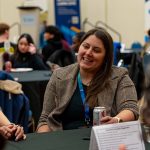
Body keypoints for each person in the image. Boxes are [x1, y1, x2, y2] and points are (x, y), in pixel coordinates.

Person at [37, 27, 138, 132]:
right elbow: (45, 119)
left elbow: (131, 109)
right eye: (85, 46)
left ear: (106, 57)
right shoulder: (59, 76)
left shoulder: (119, 76)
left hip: (105, 140)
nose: (88, 53)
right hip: (64, 142)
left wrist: (116, 120)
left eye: (96, 50)